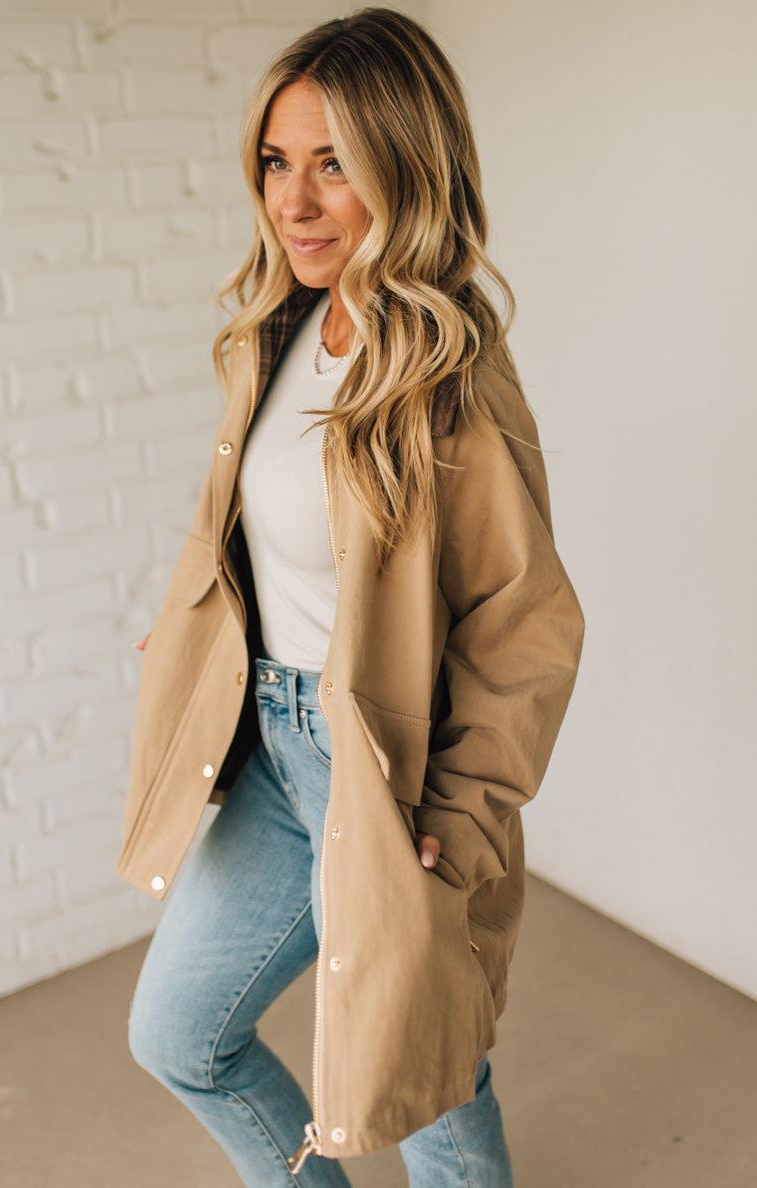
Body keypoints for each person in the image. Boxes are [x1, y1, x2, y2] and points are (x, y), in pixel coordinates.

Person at [116, 8, 585, 1186]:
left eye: (334, 163)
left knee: (422, 1082)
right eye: (278, 162)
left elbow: (527, 625)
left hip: (385, 774)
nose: (295, 201)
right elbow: (236, 530)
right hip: (273, 749)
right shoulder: (273, 329)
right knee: (179, 1035)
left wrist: (461, 819)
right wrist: (191, 642)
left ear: (405, 165)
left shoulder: (448, 375)